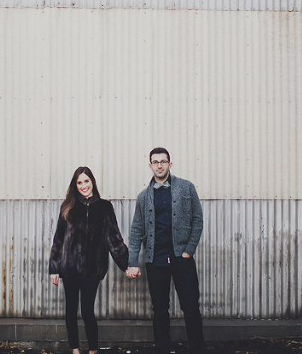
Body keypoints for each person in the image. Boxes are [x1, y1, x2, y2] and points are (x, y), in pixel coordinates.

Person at [126, 147, 205, 353]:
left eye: (163, 161)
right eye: (155, 162)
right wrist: (132, 261)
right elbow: (136, 230)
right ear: (150, 165)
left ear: (170, 164)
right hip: (156, 260)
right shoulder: (143, 197)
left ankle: (198, 349)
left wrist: (189, 250)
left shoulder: (186, 188)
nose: (159, 165)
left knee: (191, 308)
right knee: (160, 310)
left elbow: (197, 219)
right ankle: (162, 349)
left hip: (182, 259)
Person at [49, 166, 129, 354]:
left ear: (92, 181)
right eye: (79, 182)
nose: (84, 186)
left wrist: (127, 264)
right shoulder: (68, 207)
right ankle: (75, 350)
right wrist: (54, 268)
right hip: (69, 269)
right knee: (71, 311)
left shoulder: (105, 207)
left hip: (93, 269)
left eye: (86, 181)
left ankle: (93, 350)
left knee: (87, 311)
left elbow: (114, 238)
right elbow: (58, 239)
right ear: (75, 185)